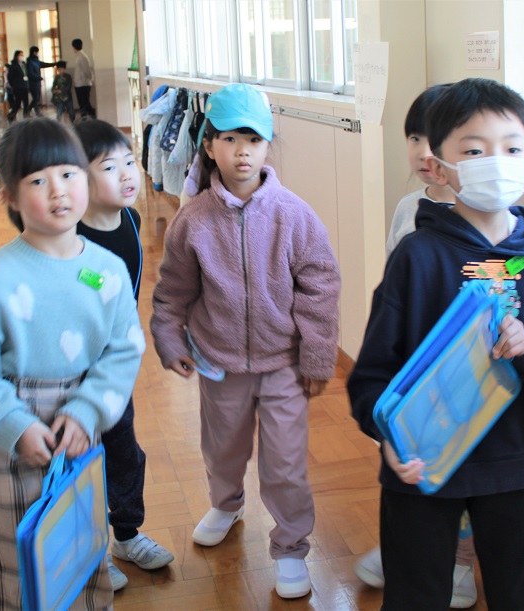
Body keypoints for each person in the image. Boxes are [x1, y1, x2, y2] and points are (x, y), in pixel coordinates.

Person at [348, 78, 524, 609]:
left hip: (509, 460)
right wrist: (387, 436)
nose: (495, 162)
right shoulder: (417, 256)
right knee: (416, 594)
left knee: (515, 592)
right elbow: (372, 371)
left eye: (511, 148)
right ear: (438, 167)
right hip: (421, 463)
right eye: (474, 151)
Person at [0, 118, 144, 609]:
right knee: (20, 562)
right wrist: (14, 426)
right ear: (9, 196)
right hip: (12, 438)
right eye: (37, 180)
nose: (58, 190)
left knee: (78, 549)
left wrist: (88, 410)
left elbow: (124, 348)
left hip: (81, 431)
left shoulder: (107, 271)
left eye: (69, 174)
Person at [150, 83, 341, 600]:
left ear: (267, 145)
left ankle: (291, 547)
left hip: (283, 365)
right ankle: (227, 502)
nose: (242, 152)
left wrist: (317, 355)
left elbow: (321, 286)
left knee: (285, 462)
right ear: (210, 145)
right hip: (220, 363)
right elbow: (173, 290)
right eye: (230, 139)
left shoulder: (293, 214)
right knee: (223, 448)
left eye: (253, 140)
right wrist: (169, 338)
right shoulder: (192, 221)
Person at [354, 83, 481, 610]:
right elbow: (393, 286)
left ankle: (461, 564)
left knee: (461, 467)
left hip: (467, 371)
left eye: (437, 139)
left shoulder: (482, 211)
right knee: (410, 461)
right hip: (413, 368)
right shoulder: (408, 208)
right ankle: (405, 551)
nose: (424, 152)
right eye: (414, 138)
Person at [73, 119, 175, 591]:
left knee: (123, 450)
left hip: (114, 367)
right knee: (81, 461)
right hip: (74, 373)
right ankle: (88, 552)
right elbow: (79, 288)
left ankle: (126, 536)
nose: (127, 173)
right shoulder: (71, 237)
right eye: (109, 167)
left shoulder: (132, 221)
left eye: (130, 161)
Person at [26, 46, 57, 117]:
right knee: (36, 98)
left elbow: (44, 64)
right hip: (32, 84)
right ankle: (36, 112)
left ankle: (29, 110)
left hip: (37, 83)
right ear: (34, 52)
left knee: (37, 98)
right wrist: (39, 77)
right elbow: (30, 73)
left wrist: (54, 64)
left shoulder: (36, 61)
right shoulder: (30, 62)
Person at [71, 38, 95, 119]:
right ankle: (86, 117)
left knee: (84, 103)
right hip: (79, 83)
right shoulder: (79, 56)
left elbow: (87, 70)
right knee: (83, 103)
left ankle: (89, 117)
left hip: (83, 84)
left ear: (74, 47)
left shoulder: (82, 57)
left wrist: (91, 78)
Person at [5, 50, 30, 122]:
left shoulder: (23, 65)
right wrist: (13, 85)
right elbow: (10, 77)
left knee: (26, 102)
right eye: (20, 55)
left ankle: (26, 117)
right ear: (16, 56)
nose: (22, 56)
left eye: (22, 55)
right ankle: (11, 115)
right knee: (18, 103)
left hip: (24, 86)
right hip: (18, 87)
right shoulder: (13, 66)